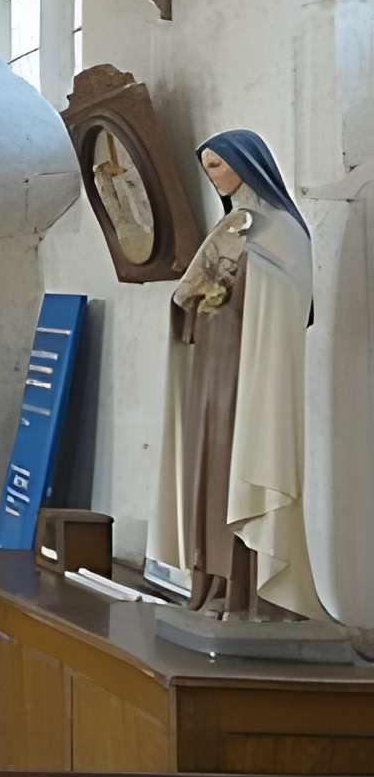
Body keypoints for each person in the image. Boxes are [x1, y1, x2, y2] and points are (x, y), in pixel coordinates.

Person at [151, 129, 321, 617]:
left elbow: (292, 304)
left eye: (218, 164)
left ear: (248, 163)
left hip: (251, 369)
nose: (212, 174)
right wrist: (191, 299)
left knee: (241, 466)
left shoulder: (281, 230)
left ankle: (250, 594)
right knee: (210, 470)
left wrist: (232, 289)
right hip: (212, 364)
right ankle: (214, 587)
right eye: (207, 166)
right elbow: (190, 290)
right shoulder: (231, 226)